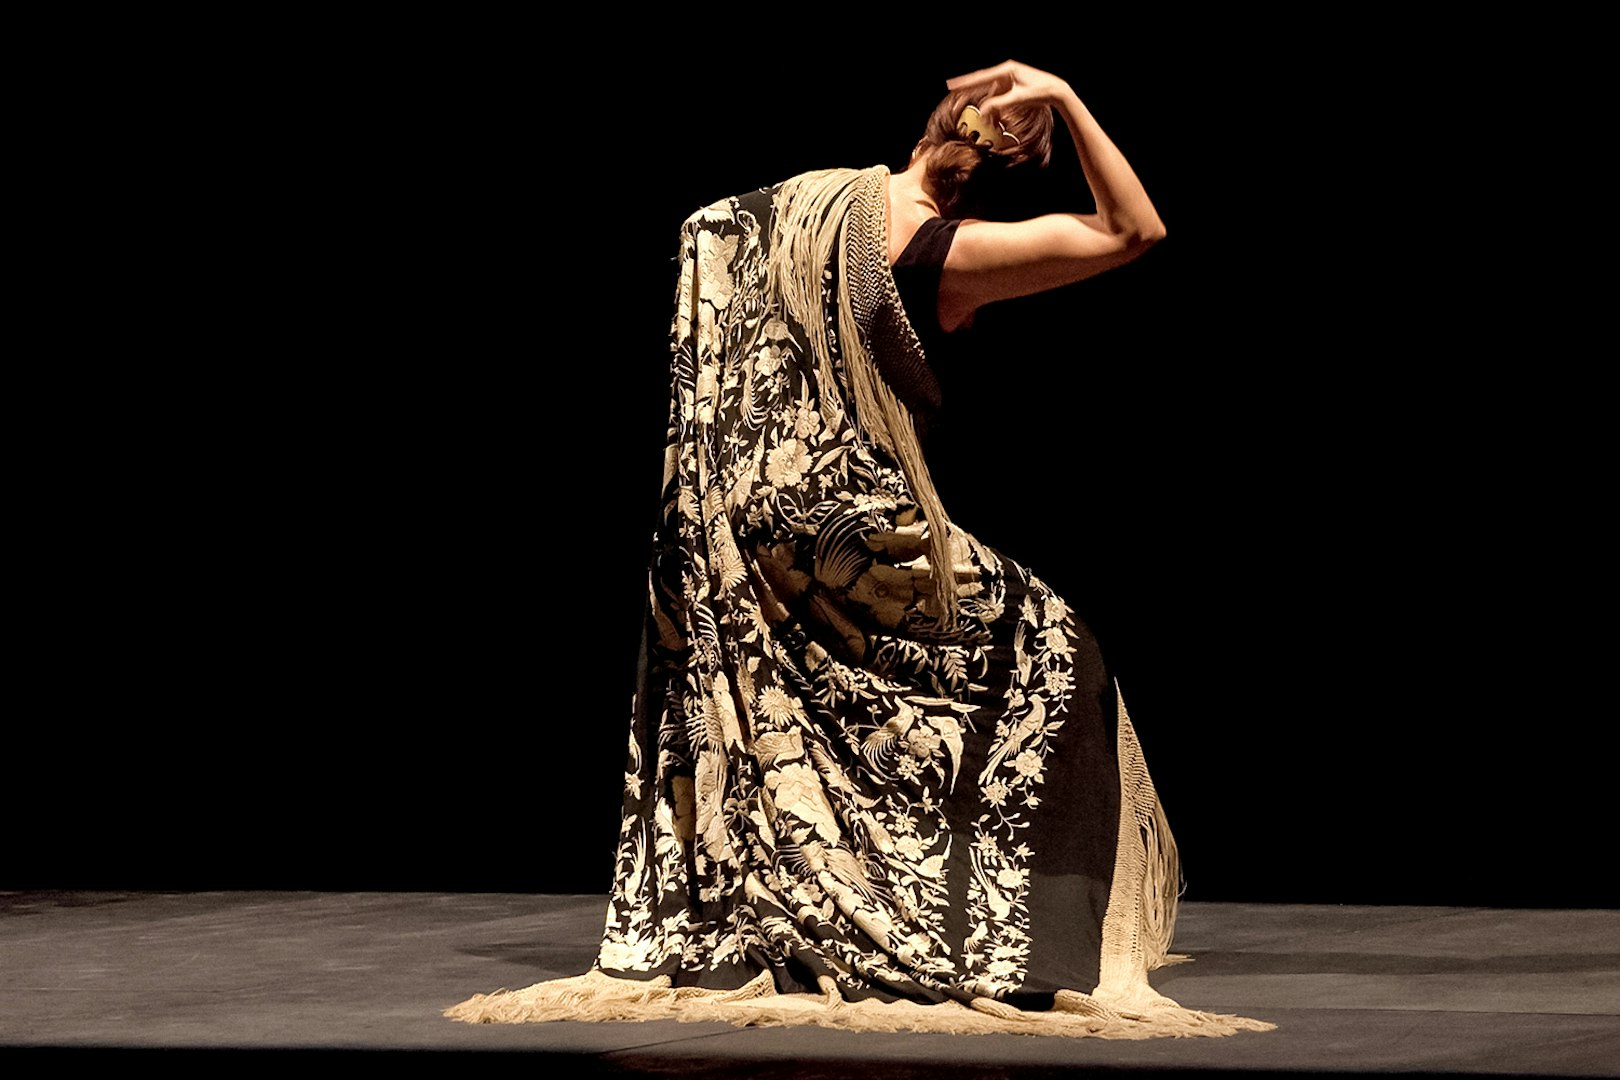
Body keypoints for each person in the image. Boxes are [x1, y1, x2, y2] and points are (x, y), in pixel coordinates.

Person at [448, 61, 1271, 1038]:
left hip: (742, 522)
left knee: (856, 714)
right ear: (1000, 178)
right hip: (848, 527)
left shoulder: (797, 207)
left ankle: (839, 896)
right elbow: (1134, 230)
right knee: (1052, 649)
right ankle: (982, 934)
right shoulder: (938, 255)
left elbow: (699, 237)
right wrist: (1068, 95)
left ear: (926, 131)